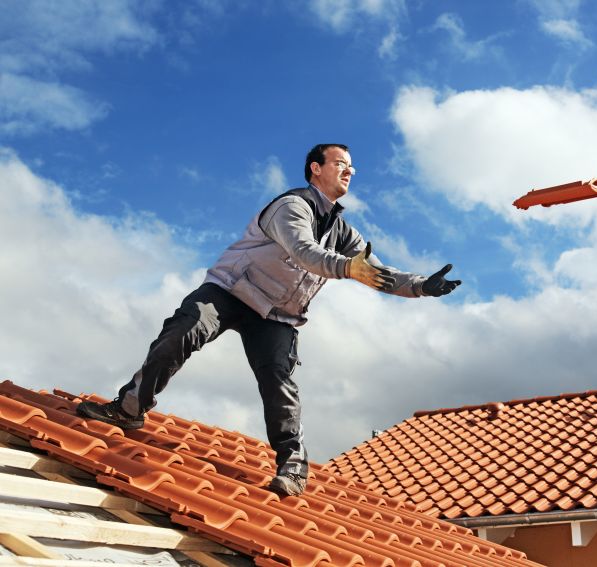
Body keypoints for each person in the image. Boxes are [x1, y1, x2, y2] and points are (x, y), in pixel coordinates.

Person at [77, 143, 461, 496]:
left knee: (280, 384)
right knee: (183, 330)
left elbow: (375, 272)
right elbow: (305, 251)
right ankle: (128, 410)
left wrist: (422, 286)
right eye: (341, 164)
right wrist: (348, 268)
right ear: (316, 168)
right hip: (230, 291)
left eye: (352, 168)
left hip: (277, 315)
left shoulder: (342, 231)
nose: (350, 171)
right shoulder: (292, 207)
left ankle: (293, 467)